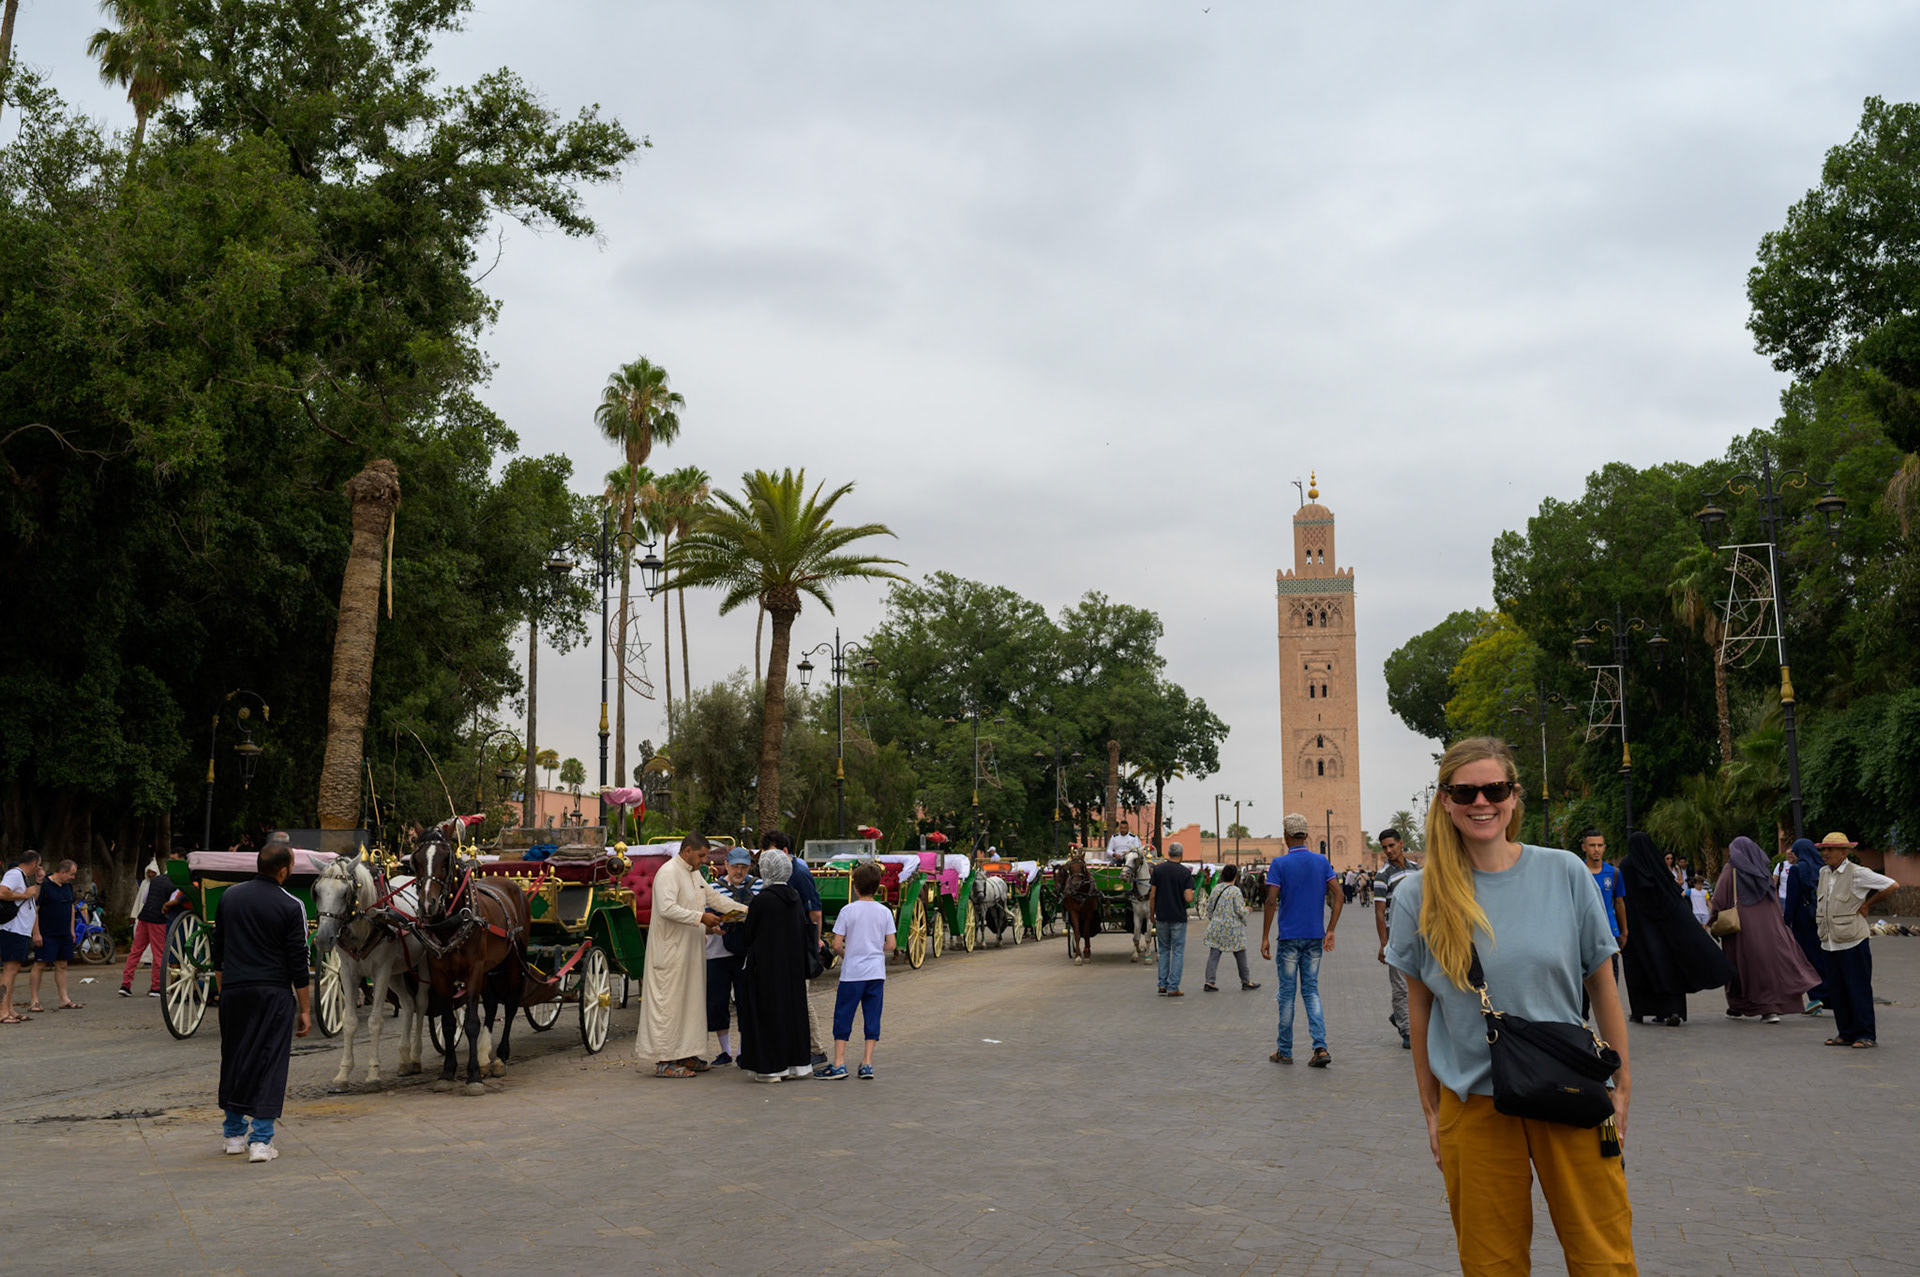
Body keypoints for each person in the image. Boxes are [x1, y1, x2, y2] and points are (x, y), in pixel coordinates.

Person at [1384, 736, 1635, 1277]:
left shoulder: (1564, 872)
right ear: (1445, 801)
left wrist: (1624, 1084)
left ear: (1514, 797)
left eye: (1495, 789)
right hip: (1473, 1104)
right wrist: (1431, 1111)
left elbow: (1602, 983)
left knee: (1603, 1259)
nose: (1482, 802)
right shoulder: (1418, 895)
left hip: (1571, 1091)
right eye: (1465, 791)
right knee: (1491, 1265)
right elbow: (1421, 1011)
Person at [211, 834, 312, 1163]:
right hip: (272, 992)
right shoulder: (290, 905)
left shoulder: (229, 897)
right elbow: (299, 961)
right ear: (283, 870)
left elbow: (218, 949)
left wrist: (223, 988)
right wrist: (306, 1009)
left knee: (235, 1057)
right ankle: (261, 1140)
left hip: (235, 990)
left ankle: (233, 1134)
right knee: (270, 1060)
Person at [632, 833, 748, 1078]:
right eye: (702, 856)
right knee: (669, 1005)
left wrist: (749, 911)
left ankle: (686, 1054)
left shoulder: (694, 874)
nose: (705, 861)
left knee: (690, 1004)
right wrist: (701, 918)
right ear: (687, 852)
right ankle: (665, 1061)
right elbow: (666, 908)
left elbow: (714, 899)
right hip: (671, 953)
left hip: (691, 951)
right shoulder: (668, 873)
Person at [1618, 833, 1730, 1026]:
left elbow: (1623, 899)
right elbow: (1672, 894)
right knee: (1670, 967)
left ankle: (1640, 1011)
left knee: (1639, 969)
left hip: (1637, 929)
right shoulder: (1657, 864)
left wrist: (1624, 929)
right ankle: (1673, 1010)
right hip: (1664, 928)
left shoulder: (1627, 866)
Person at [1261, 813, 1342, 1067]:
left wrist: (1264, 936)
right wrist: (1330, 929)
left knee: (1287, 994)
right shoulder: (1321, 861)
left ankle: (1284, 1050)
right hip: (1314, 937)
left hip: (1288, 938)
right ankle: (1320, 1047)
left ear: (1286, 836)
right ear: (1307, 836)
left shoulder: (1279, 864)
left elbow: (1271, 901)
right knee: (1311, 991)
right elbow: (1338, 895)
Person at [1710, 836, 1819, 1023]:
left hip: (1740, 931)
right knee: (1765, 967)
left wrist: (1713, 920)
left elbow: (1719, 898)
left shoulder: (1731, 871)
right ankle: (1767, 1009)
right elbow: (1774, 899)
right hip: (1768, 930)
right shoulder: (1762, 871)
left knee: (1740, 967)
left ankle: (1743, 1006)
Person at [1814, 830, 1897, 1049]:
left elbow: (1891, 885)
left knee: (1857, 988)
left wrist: (1868, 904)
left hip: (1852, 940)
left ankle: (1866, 1034)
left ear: (1844, 852)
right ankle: (1846, 1033)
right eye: (1824, 849)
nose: (1826, 853)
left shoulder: (1858, 873)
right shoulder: (1823, 873)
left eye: (1830, 849)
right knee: (1838, 989)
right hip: (1829, 941)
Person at [736, 849, 813, 1082]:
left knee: (768, 1015)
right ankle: (794, 1065)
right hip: (792, 969)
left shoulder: (763, 900)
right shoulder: (795, 897)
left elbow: (749, 935)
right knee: (791, 1014)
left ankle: (770, 1069)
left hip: (767, 969)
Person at [821, 861, 895, 1079]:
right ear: (877, 886)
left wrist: (848, 954)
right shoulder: (884, 912)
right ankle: (867, 1063)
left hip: (852, 973)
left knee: (843, 1015)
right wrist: (874, 949)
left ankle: (839, 1063)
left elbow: (836, 945)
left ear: (855, 886)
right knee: (872, 1016)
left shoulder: (847, 911)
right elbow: (891, 944)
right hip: (876, 973)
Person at [766, 831, 829, 1069]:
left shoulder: (799, 872)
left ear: (784, 851)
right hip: (784, 943)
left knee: (802, 996)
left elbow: (815, 912)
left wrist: (814, 942)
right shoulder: (779, 871)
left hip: (799, 942)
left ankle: (816, 1049)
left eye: (772, 852)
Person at [705, 848, 759, 1066]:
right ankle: (724, 1051)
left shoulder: (758, 885)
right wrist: (713, 927)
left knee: (746, 1001)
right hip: (717, 953)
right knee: (717, 1001)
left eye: (743, 867)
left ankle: (742, 1050)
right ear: (726, 865)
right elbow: (704, 919)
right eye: (735, 866)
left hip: (746, 954)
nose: (739, 871)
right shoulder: (713, 888)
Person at [1373, 828, 1417, 1048]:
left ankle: (1401, 1017)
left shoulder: (1417, 871)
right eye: (1384, 848)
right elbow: (1380, 912)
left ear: (1401, 844)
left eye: (1391, 846)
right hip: (1395, 936)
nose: (1388, 851)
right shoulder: (1382, 877)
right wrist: (1384, 943)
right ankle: (1407, 1030)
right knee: (1400, 986)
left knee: (1420, 983)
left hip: (1417, 936)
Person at [1781, 838, 1832, 1015]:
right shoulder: (1825, 869)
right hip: (1823, 919)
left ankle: (1816, 996)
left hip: (1803, 920)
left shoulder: (1796, 870)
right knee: (1823, 955)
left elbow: (1792, 900)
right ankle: (1831, 993)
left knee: (1806, 958)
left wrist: (1786, 923)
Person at [29, 859, 83, 1012]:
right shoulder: (45, 885)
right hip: (47, 932)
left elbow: (71, 907)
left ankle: (64, 998)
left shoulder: (67, 886)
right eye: (71, 874)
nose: (72, 877)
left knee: (62, 965)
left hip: (64, 932)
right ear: (63, 872)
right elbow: (35, 909)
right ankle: (34, 1000)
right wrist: (36, 932)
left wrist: (72, 930)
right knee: (40, 964)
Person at [1201, 863, 1259, 993]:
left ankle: (1209, 982)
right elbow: (1239, 910)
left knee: (1214, 955)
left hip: (1217, 927)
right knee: (1240, 954)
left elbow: (1209, 908)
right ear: (1235, 876)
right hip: (1233, 929)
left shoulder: (1216, 889)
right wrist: (1247, 911)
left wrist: (1214, 920)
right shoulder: (1235, 891)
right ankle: (1246, 981)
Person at [0, 851, 44, 1025]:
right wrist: (23, 895)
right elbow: (2, 892)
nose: (39, 867)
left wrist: (39, 881)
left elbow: (33, 900)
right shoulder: (14, 874)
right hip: (12, 929)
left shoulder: (23, 877)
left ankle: (9, 1008)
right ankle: (2, 1011)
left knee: (14, 969)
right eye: (39, 864)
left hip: (20, 930)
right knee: (9, 970)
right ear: (33, 863)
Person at [1581, 830, 1628, 987]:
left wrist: (1624, 931)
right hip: (1583, 935)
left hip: (1609, 934)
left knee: (1610, 983)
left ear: (1604, 847)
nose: (1596, 849)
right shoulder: (1577, 871)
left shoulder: (1614, 873)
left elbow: (1619, 902)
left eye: (1600, 845)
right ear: (1584, 847)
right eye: (1592, 845)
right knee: (1583, 989)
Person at [122, 857, 174, 997]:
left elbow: (144, 899)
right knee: (158, 954)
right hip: (159, 919)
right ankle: (156, 987)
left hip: (144, 917)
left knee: (135, 952)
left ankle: (125, 984)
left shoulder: (155, 881)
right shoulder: (174, 883)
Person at [1147, 842, 1195, 996]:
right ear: (1181, 854)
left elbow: (1152, 895)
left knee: (1164, 950)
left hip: (1161, 916)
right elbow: (1188, 898)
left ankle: (1162, 984)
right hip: (1178, 917)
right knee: (1178, 952)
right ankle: (1173, 986)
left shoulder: (1158, 870)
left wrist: (1152, 914)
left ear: (1168, 853)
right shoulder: (1185, 872)